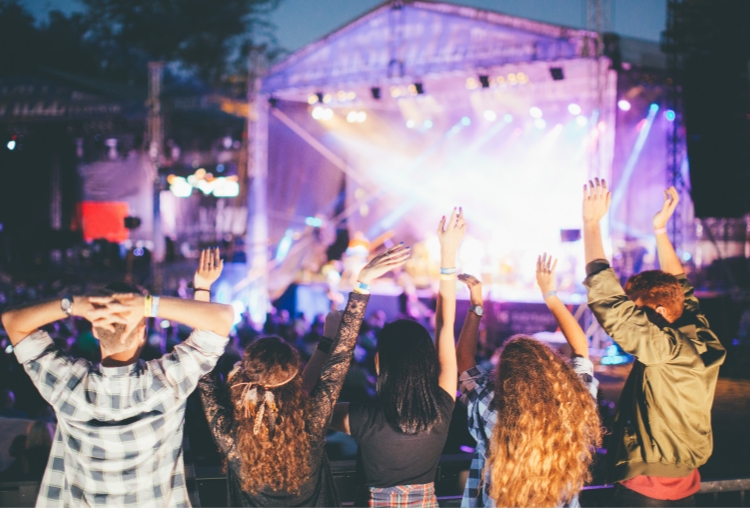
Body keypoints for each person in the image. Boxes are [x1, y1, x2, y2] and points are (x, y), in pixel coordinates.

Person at [0, 265, 235, 507]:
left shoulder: (68, 384)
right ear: (143, 333)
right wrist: (148, 304)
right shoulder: (167, 382)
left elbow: (13, 320)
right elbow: (222, 318)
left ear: (94, 330)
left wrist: (76, 305)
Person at [198, 245, 410, 507]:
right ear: (295, 377)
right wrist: (362, 283)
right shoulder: (311, 421)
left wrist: (202, 289)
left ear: (246, 375)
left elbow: (204, 367)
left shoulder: (231, 435)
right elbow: (340, 358)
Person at [582, 181, 726, 507]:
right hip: (685, 480)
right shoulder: (698, 333)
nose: (635, 316)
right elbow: (683, 289)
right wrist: (660, 230)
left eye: (639, 310)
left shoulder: (666, 349)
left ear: (659, 312)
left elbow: (610, 304)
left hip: (649, 489)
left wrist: (591, 225)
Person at [329, 208, 464, 508]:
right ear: (427, 362)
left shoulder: (363, 418)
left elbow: (317, 400)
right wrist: (449, 254)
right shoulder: (442, 407)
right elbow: (445, 327)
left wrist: (362, 283)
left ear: (379, 364)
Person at [457, 255, 601, 508]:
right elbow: (581, 349)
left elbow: (463, 359)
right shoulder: (574, 403)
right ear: (550, 366)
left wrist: (476, 303)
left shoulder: (489, 405)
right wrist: (550, 294)